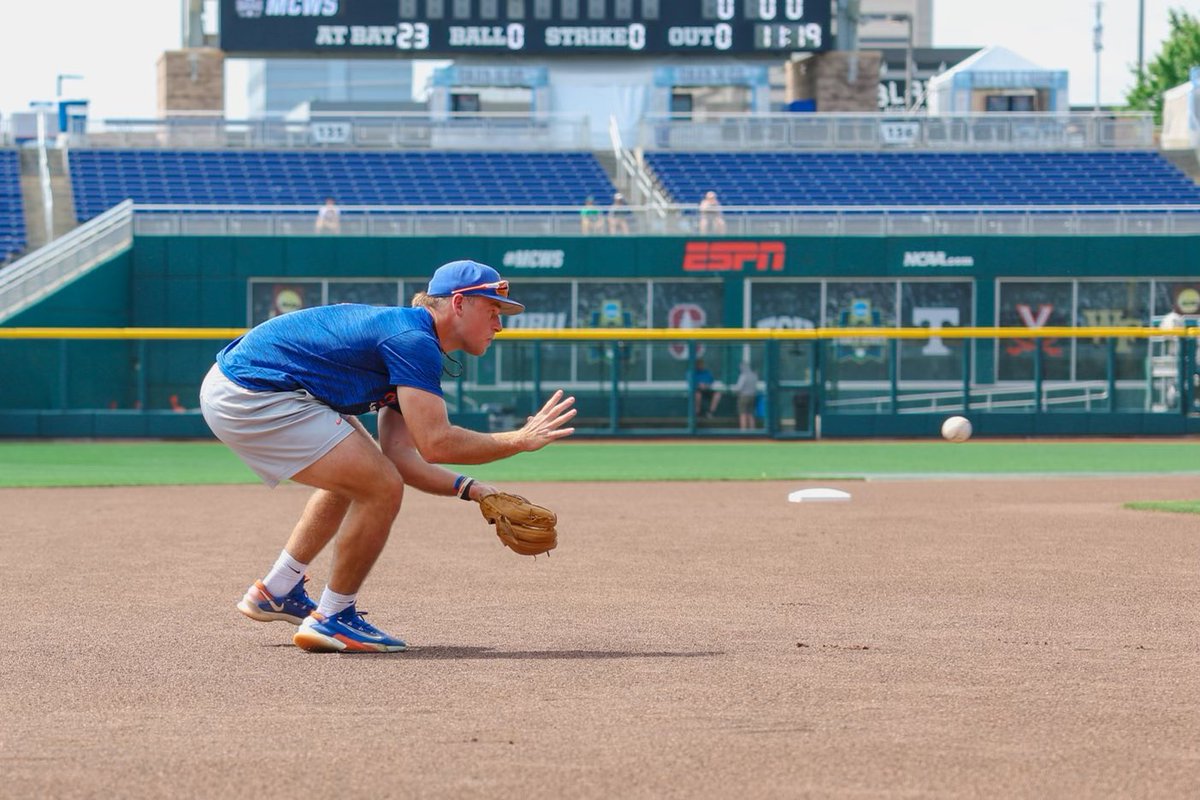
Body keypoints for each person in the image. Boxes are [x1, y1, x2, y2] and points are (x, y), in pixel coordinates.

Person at [198, 259, 577, 653]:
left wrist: (476, 490)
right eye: (493, 311)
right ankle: (333, 618)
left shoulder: (411, 338)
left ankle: (277, 589)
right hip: (255, 391)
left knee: (365, 476)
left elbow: (400, 455)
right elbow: (437, 443)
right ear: (459, 304)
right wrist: (518, 439)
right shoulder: (412, 341)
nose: (499, 324)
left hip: (252, 387)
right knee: (379, 487)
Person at [730, 361, 760, 431]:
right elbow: (756, 387)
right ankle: (753, 430)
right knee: (751, 414)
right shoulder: (754, 375)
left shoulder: (743, 376)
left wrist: (734, 391)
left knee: (743, 414)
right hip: (752, 396)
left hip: (743, 397)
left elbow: (739, 388)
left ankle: (743, 431)